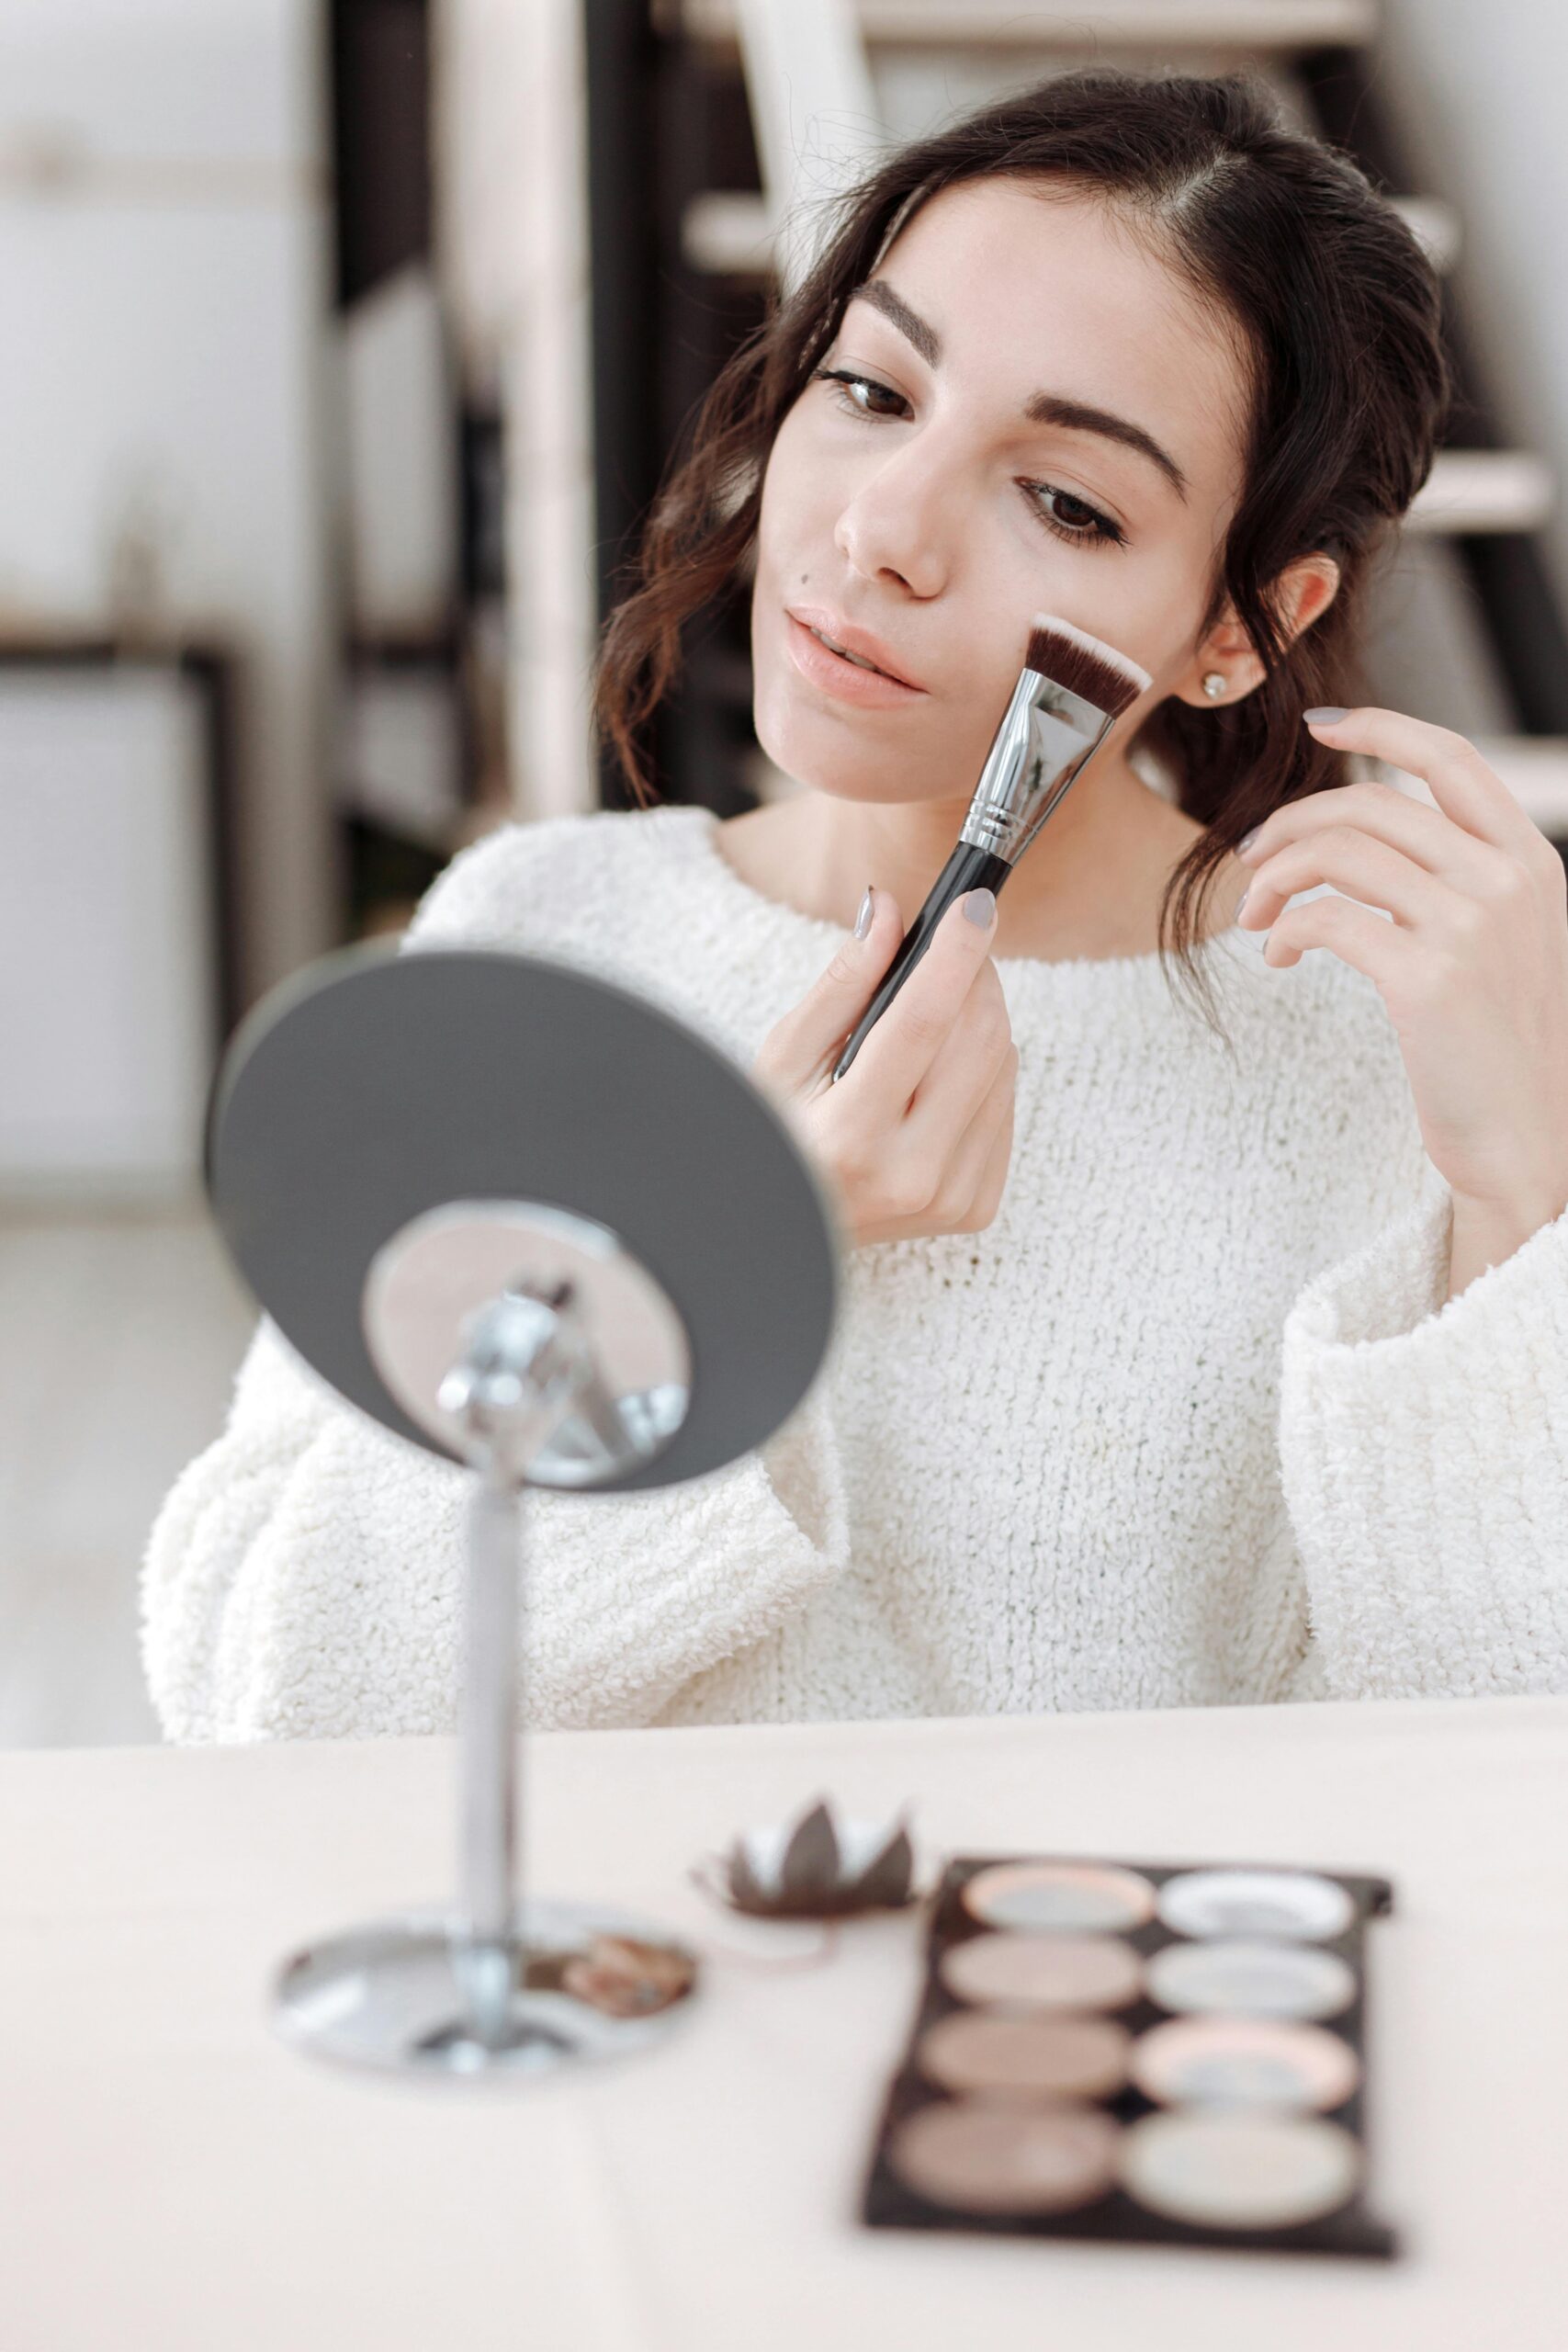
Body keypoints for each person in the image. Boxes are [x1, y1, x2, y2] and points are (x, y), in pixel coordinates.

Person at [143, 69, 1568, 1741]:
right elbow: (262, 1700)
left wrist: (1521, 1196)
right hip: (636, 1999)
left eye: (1068, 501)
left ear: (1245, 624)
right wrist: (730, 1274)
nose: (879, 530)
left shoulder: (1362, 1050)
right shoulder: (542, 935)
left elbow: (1494, 1785)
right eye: (875, 391)